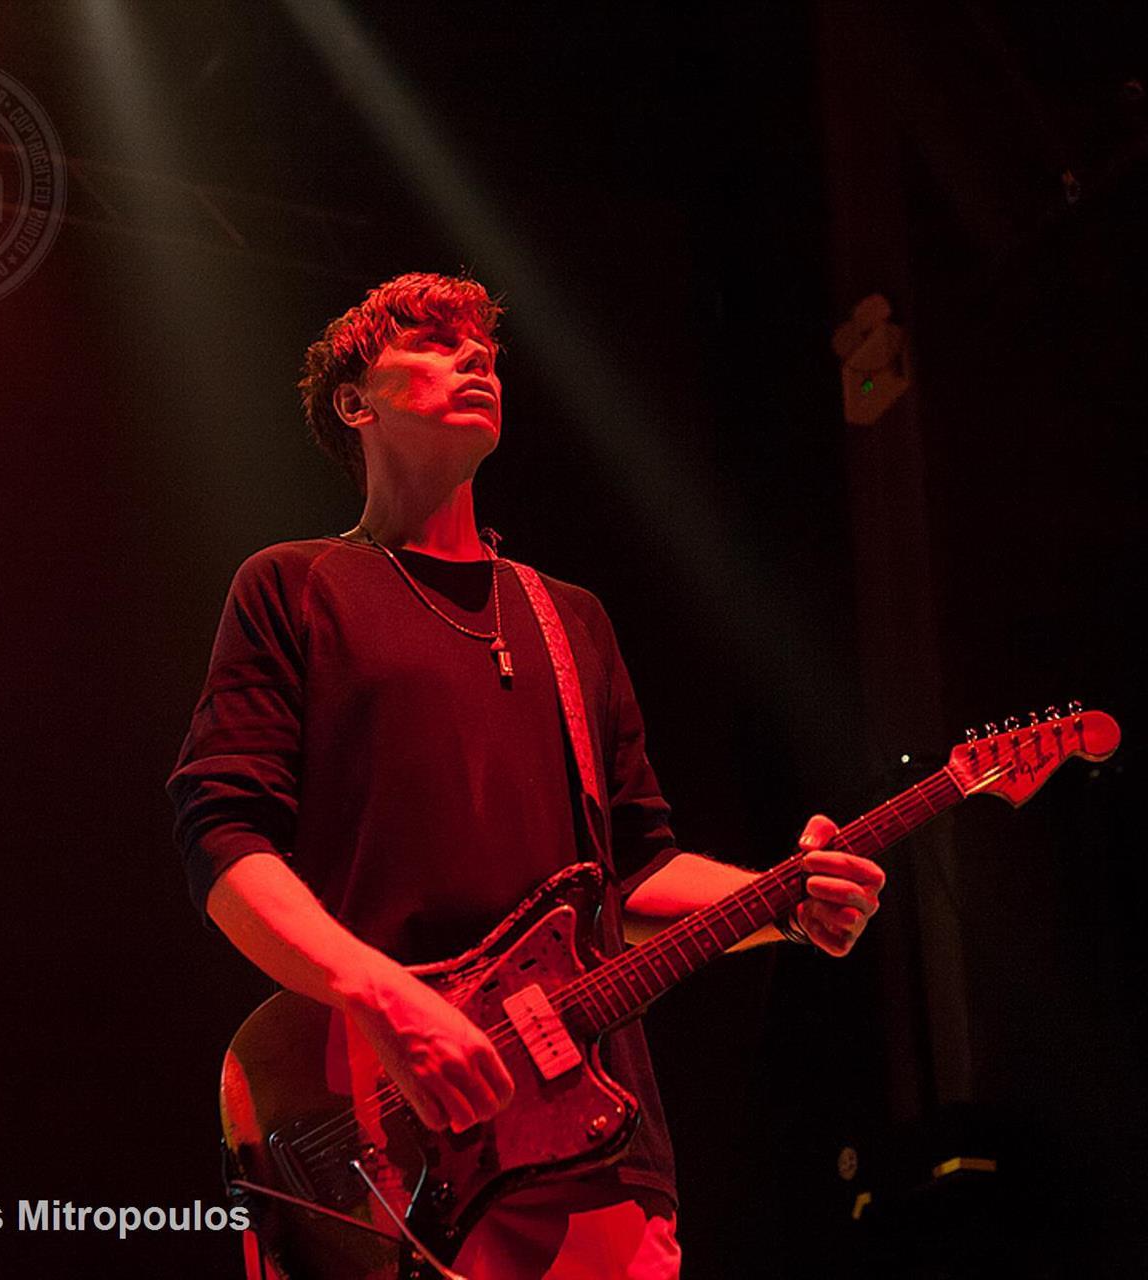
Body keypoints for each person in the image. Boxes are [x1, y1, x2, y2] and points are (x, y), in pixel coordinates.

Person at [167, 272, 886, 1278]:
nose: (476, 357)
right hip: (390, 1142)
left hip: (597, 1150)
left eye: (486, 347)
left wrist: (786, 899)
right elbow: (222, 840)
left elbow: (632, 877)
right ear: (353, 399)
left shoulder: (571, 618)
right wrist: (383, 997)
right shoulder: (294, 586)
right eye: (431, 341)